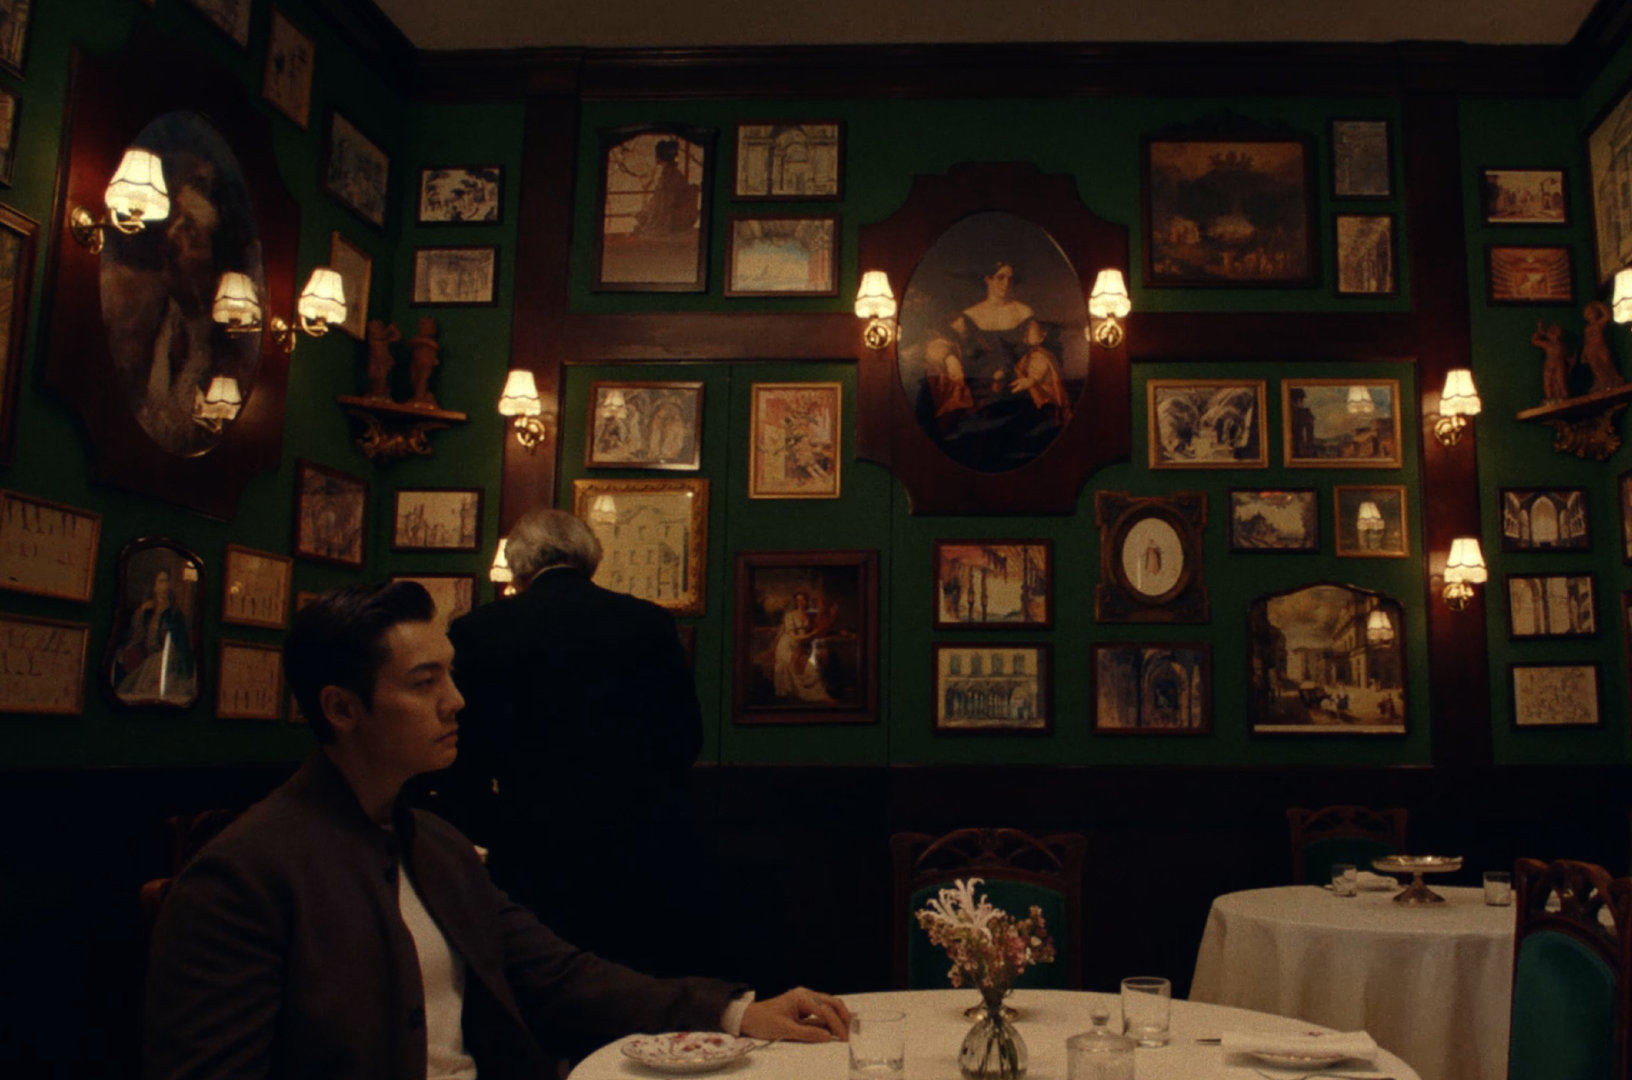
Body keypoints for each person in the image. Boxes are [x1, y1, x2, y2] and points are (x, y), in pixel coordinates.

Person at [144, 580, 849, 1080]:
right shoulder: (241, 879)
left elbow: (559, 974)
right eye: (424, 682)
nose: (456, 701)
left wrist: (736, 1011)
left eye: (451, 676)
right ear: (341, 708)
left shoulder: (436, 845)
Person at [420, 509, 711, 977]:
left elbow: (462, 755)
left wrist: (496, 825)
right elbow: (684, 739)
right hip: (641, 845)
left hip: (532, 848)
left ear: (519, 566)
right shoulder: (648, 622)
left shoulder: (480, 630)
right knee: (638, 985)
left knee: (543, 983)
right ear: (589, 558)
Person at [114, 564, 194, 704]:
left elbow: (180, 648)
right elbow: (137, 638)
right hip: (148, 663)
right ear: (154, 586)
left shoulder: (174, 614)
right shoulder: (146, 611)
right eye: (161, 581)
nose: (165, 586)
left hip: (168, 666)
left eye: (167, 582)